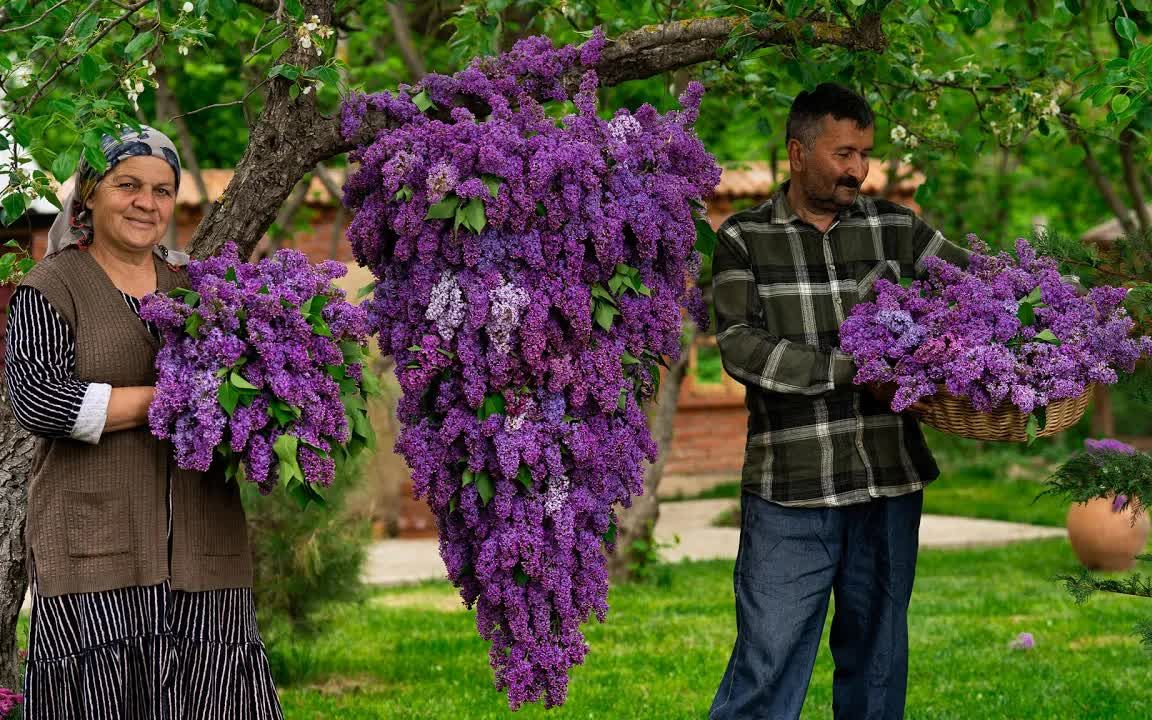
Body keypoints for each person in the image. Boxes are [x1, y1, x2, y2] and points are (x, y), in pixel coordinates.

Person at [707, 84, 971, 720]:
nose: (859, 169)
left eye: (865, 154)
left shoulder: (897, 229)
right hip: (790, 491)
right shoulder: (746, 237)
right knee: (766, 666)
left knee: (877, 671)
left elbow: (979, 284)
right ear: (798, 153)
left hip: (888, 484)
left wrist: (1052, 321)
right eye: (843, 152)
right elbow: (741, 348)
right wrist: (857, 370)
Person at [5, 126, 283, 719]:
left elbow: (250, 396)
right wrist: (173, 398)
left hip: (204, 550)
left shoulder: (199, 291)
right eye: (127, 185)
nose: (146, 203)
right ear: (89, 195)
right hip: (94, 549)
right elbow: (40, 401)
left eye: (161, 190)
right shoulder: (51, 287)